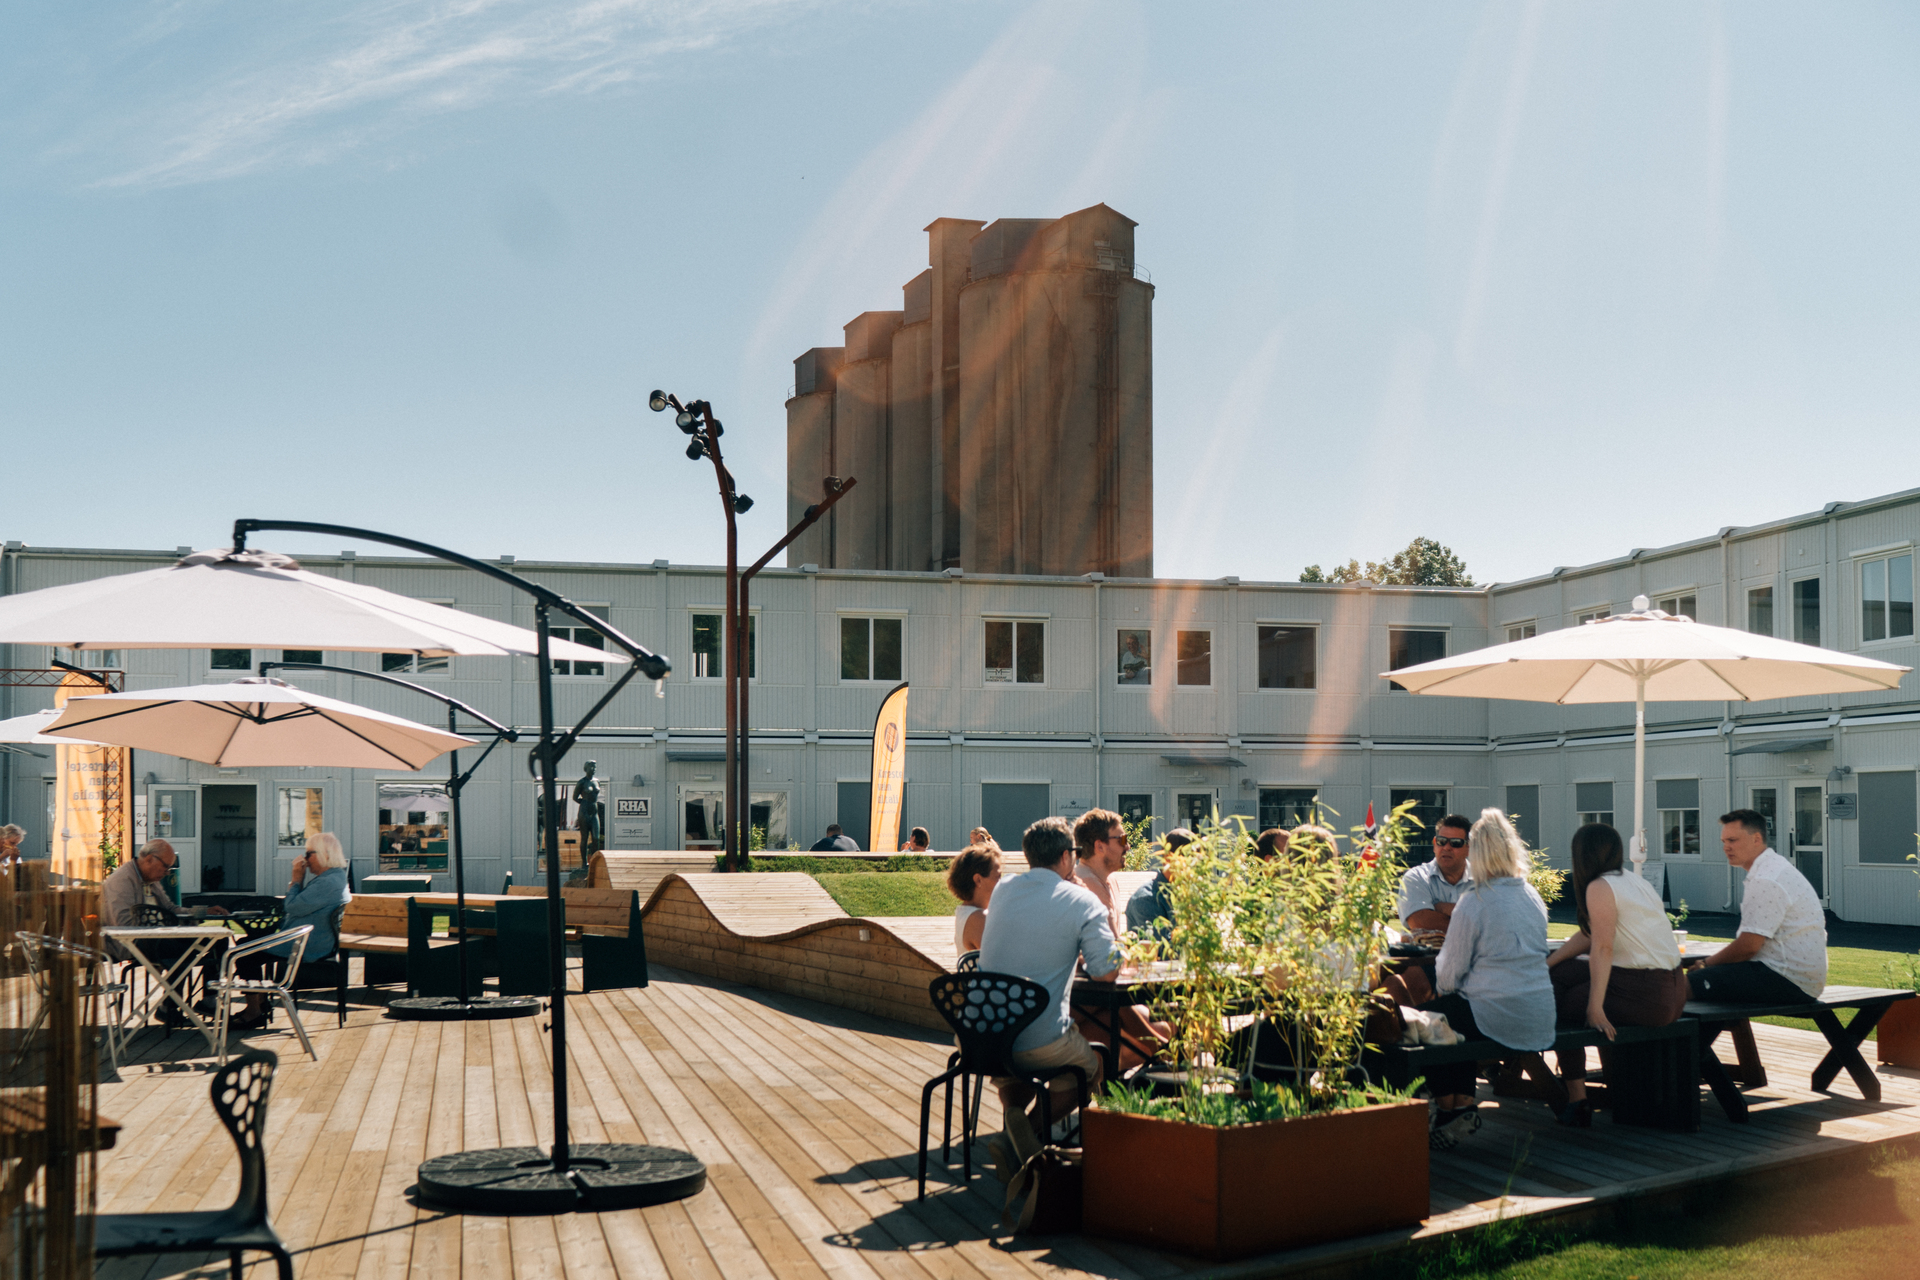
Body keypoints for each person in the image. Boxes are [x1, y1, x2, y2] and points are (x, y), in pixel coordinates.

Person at [978, 817, 1119, 1165]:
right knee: (1088, 1067)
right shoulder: (1082, 901)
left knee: (1016, 1060)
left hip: (981, 1035)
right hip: (1038, 1039)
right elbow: (1106, 970)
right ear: (1067, 856)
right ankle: (1022, 1136)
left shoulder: (1004, 890)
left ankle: (1013, 1116)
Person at [1422, 808, 1554, 1149]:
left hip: (1498, 1012)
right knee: (1457, 1015)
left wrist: (1446, 992)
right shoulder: (1531, 895)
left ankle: (1450, 1106)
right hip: (1539, 1009)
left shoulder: (1474, 900)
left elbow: (1449, 973)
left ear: (1475, 854)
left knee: (1435, 1019)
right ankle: (1460, 1105)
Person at [1545, 823, 1687, 1126]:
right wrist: (1550, 962)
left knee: (1561, 1001)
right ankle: (1595, 1088)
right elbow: (1591, 934)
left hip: (1647, 993)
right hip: (1673, 989)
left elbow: (1603, 949)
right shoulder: (1634, 882)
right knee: (1559, 974)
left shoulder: (1598, 887)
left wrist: (1594, 1007)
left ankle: (1577, 1099)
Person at [1688, 809, 1828, 1003]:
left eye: (1732, 840)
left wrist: (1705, 964)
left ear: (1756, 839)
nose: (1726, 847)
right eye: (1724, 842)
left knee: (1683, 987)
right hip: (1801, 980)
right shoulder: (1774, 868)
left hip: (1786, 978)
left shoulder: (1767, 879)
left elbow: (1748, 946)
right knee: (1703, 986)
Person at [1072, 809, 1170, 1070]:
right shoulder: (1081, 886)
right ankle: (1159, 1060)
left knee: (1158, 1021)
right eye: (1122, 840)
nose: (1128, 847)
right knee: (1159, 1028)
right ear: (1100, 846)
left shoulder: (1109, 882)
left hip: (1105, 988)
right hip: (1083, 997)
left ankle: (1152, 1064)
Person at [229, 832, 354, 1030]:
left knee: (242, 953)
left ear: (324, 854)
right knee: (247, 943)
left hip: (307, 944)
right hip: (313, 939)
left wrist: (296, 879)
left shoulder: (327, 883)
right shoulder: (335, 877)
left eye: (308, 854)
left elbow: (292, 906)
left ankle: (255, 1011)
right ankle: (260, 1003)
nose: (304, 860)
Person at [1398, 814, 1474, 934]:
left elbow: (1493, 922)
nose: (1447, 847)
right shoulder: (1415, 878)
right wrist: (1473, 921)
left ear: (1469, 847)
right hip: (1428, 953)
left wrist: (1443, 908)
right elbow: (1420, 922)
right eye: (1441, 841)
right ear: (1434, 843)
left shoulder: (1483, 881)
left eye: (1455, 843)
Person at [1125, 828, 1194, 936]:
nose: (1195, 868)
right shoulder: (1146, 900)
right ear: (1168, 859)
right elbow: (1163, 949)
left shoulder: (1191, 894)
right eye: (1190, 861)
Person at [946, 843, 1001, 955]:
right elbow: (1003, 962)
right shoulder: (978, 918)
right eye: (998, 877)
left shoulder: (965, 912)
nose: (1001, 882)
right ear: (978, 880)